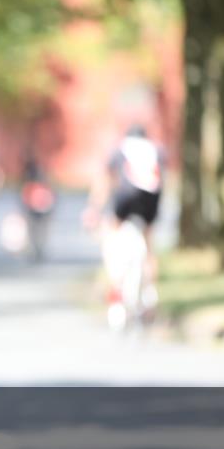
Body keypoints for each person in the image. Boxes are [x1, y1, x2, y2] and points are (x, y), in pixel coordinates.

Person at [83, 124, 164, 317]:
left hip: (125, 198)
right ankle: (150, 293)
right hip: (151, 198)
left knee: (112, 238)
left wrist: (94, 208)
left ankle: (116, 287)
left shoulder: (121, 149)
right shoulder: (156, 149)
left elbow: (105, 180)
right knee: (149, 246)